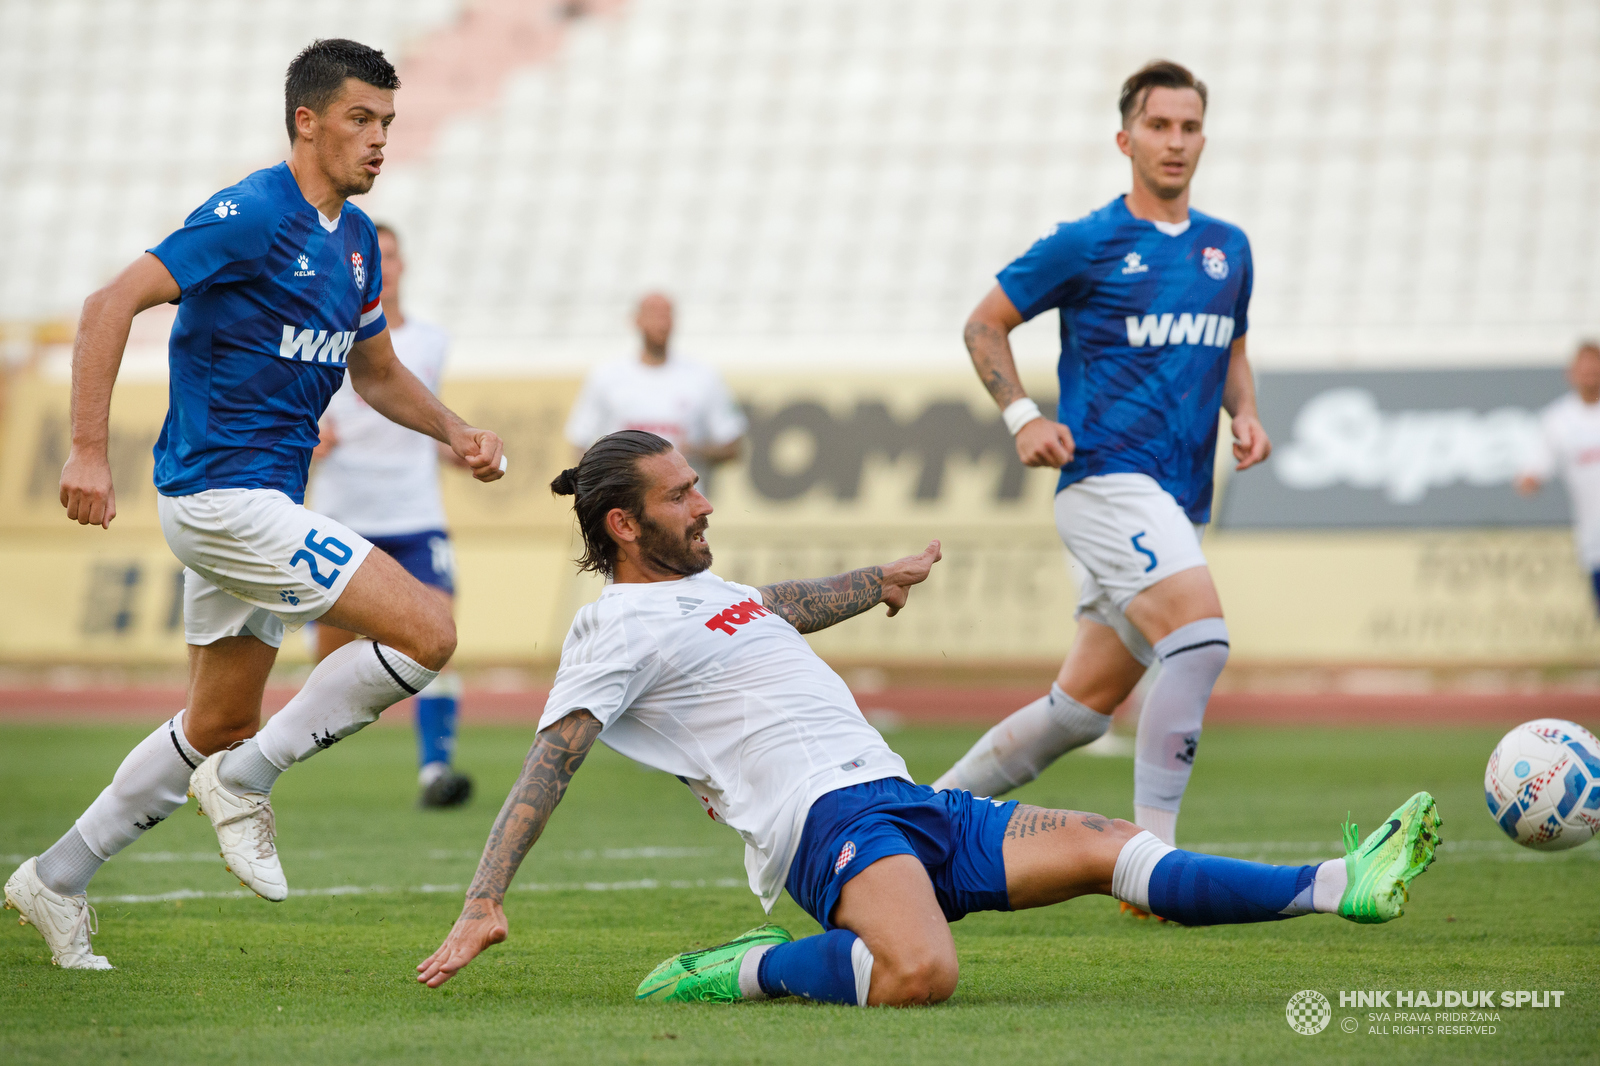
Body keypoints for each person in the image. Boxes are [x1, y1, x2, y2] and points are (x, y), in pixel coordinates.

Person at [414, 431, 1441, 1007]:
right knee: (921, 972)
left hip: (904, 798)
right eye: (684, 496)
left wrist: (880, 579)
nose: (705, 505)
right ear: (625, 523)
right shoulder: (612, 627)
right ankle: (745, 968)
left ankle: (1339, 887)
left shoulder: (705, 589)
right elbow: (551, 761)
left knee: (1113, 848)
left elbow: (783, 604)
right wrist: (481, 898)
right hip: (824, 823)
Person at [3, 39, 506, 970]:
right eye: (362, 119)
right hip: (221, 498)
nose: (380, 140)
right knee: (427, 634)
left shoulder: (355, 243)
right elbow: (109, 303)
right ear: (306, 122)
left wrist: (454, 431)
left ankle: (56, 878)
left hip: (263, 499)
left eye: (389, 122)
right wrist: (84, 447)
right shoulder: (248, 214)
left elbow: (379, 371)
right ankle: (246, 783)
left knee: (218, 720)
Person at [931, 61, 1270, 862]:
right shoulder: (1088, 242)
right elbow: (984, 324)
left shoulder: (1229, 249)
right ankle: (1156, 860)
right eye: (1159, 126)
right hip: (1106, 483)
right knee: (1202, 642)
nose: (1175, 142)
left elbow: (1232, 345)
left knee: (1080, 711)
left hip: (1177, 497)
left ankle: (922, 813)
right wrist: (1022, 416)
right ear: (1126, 139)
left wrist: (1246, 412)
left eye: (1189, 127)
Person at [308, 222, 474, 808]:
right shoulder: (319, 336)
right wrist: (310, 439)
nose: (386, 264)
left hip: (415, 515)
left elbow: (422, 425)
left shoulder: (430, 341)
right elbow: (298, 418)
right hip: (340, 517)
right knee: (327, 666)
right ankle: (274, 759)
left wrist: (463, 451)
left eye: (394, 255)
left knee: (440, 634)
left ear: (401, 266)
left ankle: (435, 769)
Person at [563, 292, 747, 477]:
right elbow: (579, 442)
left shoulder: (703, 376)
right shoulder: (606, 376)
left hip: (684, 501)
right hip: (625, 501)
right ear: (636, 320)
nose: (662, 323)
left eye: (667, 315)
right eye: (654, 315)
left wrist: (693, 452)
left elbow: (733, 447)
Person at [1516, 340, 1600, 613]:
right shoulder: (1558, 420)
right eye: (1584, 369)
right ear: (1571, 374)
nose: (1590, 374)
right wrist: (1529, 480)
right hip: (1594, 539)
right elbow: (1536, 466)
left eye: (1595, 368)